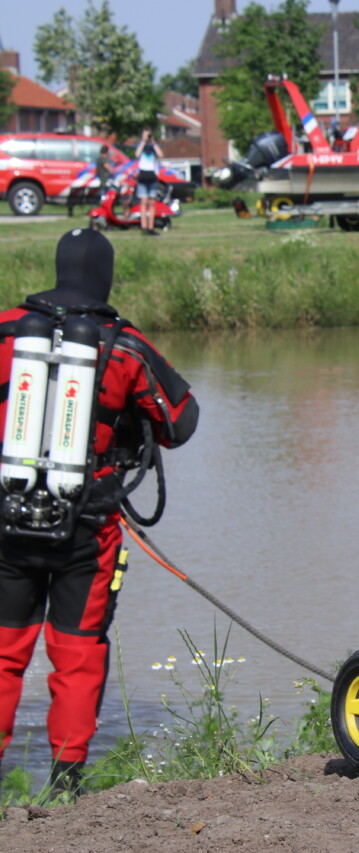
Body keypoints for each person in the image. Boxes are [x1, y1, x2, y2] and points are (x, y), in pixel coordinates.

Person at [0, 228, 199, 797]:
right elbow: (181, 421)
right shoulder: (124, 345)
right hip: (87, 527)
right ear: (105, 276)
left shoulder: (9, 329)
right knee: (78, 651)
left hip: (8, 521)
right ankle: (66, 785)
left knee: (3, 650)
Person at [133, 129, 164, 236]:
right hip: (142, 176)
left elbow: (161, 155)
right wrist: (143, 141)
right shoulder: (140, 146)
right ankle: (144, 227)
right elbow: (137, 155)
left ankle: (151, 227)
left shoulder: (154, 147)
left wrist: (154, 143)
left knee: (152, 203)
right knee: (143, 202)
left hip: (152, 176)